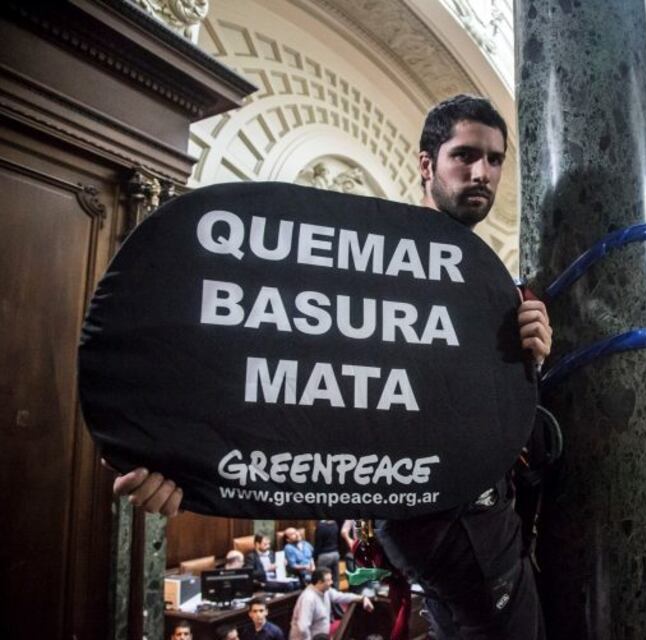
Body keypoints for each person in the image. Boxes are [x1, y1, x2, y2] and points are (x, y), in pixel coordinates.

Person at [109, 94, 554, 640]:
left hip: (465, 522)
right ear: (426, 164)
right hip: (449, 526)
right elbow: (266, 380)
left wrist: (529, 357)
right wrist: (171, 458)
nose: (481, 172)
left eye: (494, 159)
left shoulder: (494, 292)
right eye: (464, 155)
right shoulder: (361, 266)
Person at [290, 569, 373, 640]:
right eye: (329, 580)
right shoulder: (308, 598)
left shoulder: (326, 591)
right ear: (319, 582)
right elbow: (303, 627)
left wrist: (362, 598)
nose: (332, 582)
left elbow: (342, 596)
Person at [313, 519, 341, 584]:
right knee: (335, 577)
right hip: (335, 553)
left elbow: (318, 544)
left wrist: (315, 557)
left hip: (324, 555)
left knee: (322, 577)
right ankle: (336, 591)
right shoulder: (335, 524)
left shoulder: (321, 526)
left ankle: (325, 593)